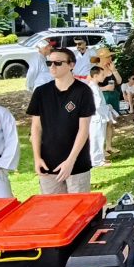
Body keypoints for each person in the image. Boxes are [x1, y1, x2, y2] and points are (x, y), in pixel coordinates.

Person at [27, 47, 95, 194]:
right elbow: (36, 128)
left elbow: (83, 129)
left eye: (58, 63)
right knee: (53, 206)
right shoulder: (41, 92)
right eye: (49, 63)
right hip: (48, 164)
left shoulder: (83, 91)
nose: (52, 66)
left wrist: (70, 161)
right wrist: (37, 158)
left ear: (71, 65)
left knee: (79, 206)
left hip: (77, 164)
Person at [93, 47, 122, 154]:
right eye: (107, 57)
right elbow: (90, 86)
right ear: (101, 58)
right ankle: (100, 148)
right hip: (102, 98)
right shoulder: (95, 70)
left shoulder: (111, 68)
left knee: (110, 122)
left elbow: (119, 81)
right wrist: (105, 88)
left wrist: (114, 70)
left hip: (113, 97)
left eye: (110, 56)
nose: (110, 59)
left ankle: (109, 146)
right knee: (102, 123)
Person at [88, 66, 117, 168]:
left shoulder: (95, 87)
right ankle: (96, 161)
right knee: (96, 138)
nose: (104, 77)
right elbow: (97, 105)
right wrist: (107, 107)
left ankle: (100, 159)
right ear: (95, 76)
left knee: (100, 138)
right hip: (97, 117)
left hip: (100, 116)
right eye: (102, 75)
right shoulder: (93, 88)